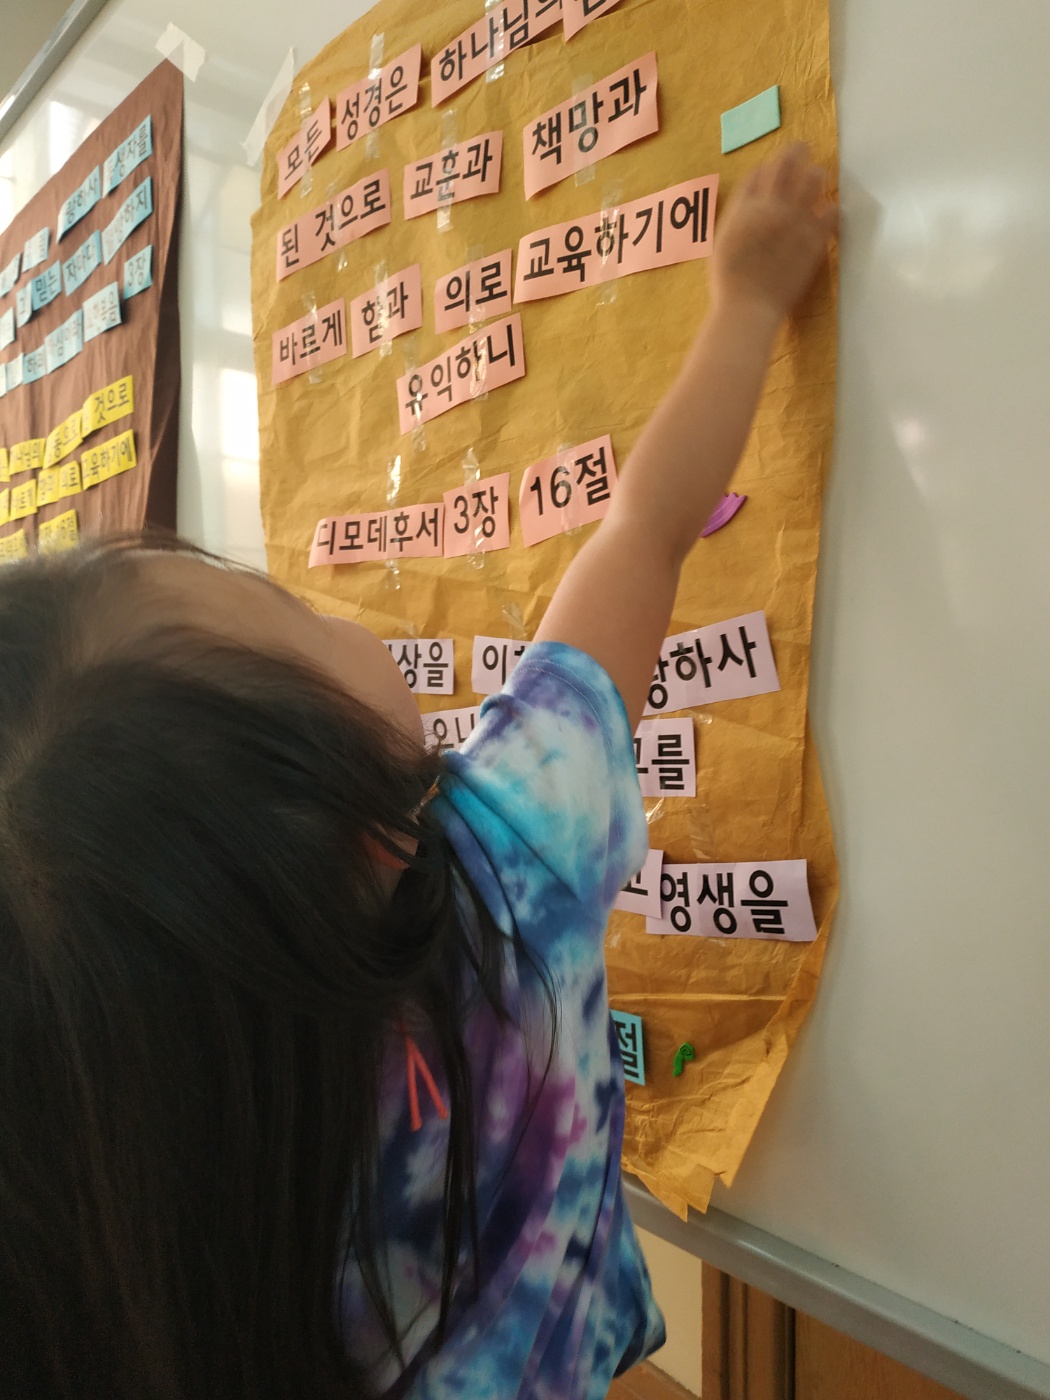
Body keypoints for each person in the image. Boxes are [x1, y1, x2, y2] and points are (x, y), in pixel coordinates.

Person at [0, 145, 836, 1400]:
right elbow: (643, 532)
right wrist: (748, 302)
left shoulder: (127, 1206)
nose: (331, 610)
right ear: (360, 832)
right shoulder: (509, 871)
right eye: (295, 615)